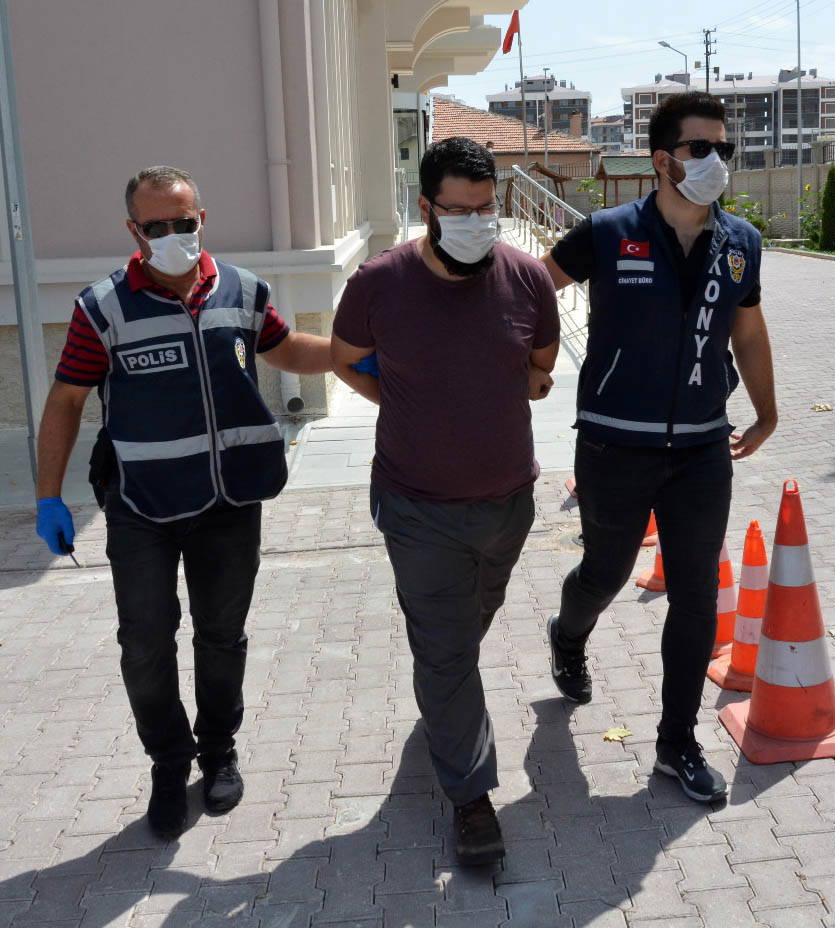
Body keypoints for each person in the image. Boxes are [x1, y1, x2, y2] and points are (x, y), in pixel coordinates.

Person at [34, 166, 332, 840]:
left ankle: (218, 750)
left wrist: (354, 353)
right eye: (156, 226)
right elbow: (67, 398)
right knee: (145, 642)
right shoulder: (102, 308)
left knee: (222, 635)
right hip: (142, 505)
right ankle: (169, 763)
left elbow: (288, 349)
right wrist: (48, 496)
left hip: (229, 501)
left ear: (203, 219)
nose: (173, 234)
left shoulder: (243, 291)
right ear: (134, 231)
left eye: (184, 222)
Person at [541, 92, 777, 802]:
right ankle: (568, 634)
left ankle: (677, 743)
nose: (716, 161)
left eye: (724, 149)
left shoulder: (741, 242)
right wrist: (529, 363)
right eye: (701, 148)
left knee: (697, 593)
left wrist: (766, 413)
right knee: (605, 573)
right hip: (614, 444)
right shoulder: (608, 231)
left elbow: (748, 330)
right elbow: (528, 291)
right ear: (663, 160)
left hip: (702, 446)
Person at [330, 137, 559, 865]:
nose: (474, 222)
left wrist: (510, 387)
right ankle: (470, 797)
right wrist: (400, 397)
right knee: (447, 649)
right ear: (426, 207)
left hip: (507, 502)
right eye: (457, 210)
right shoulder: (379, 282)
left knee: (467, 628)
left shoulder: (527, 278)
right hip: (416, 504)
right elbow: (344, 359)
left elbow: (540, 367)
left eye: (485, 209)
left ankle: (445, 697)